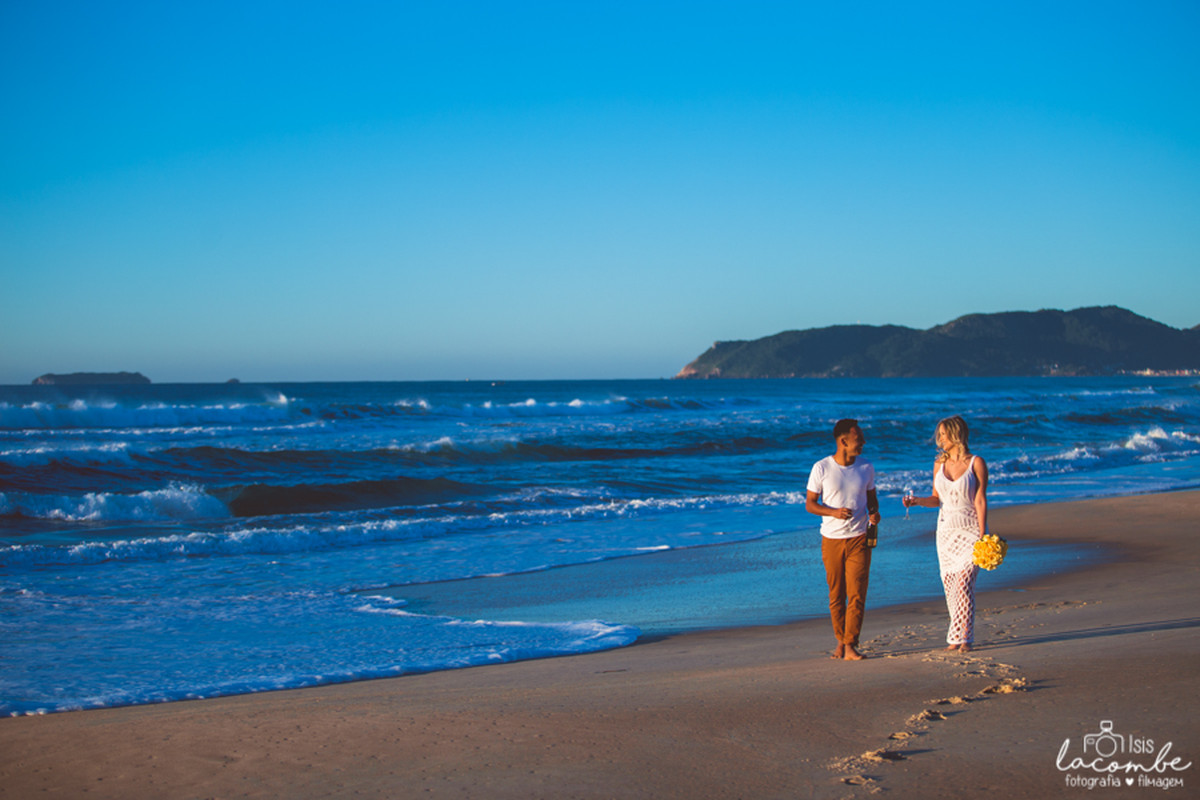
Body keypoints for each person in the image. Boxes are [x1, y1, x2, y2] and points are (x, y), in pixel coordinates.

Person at [903, 415, 989, 652]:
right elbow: (936, 498)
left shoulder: (976, 463)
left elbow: (980, 500)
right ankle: (955, 637)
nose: (939, 439)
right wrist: (917, 501)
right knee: (950, 585)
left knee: (963, 583)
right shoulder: (939, 464)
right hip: (946, 533)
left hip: (971, 531)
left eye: (943, 434)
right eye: (938, 434)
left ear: (955, 434)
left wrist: (984, 534)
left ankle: (966, 638)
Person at [806, 419, 880, 661]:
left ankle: (850, 645)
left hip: (860, 537)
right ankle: (841, 640)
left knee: (857, 592)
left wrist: (874, 513)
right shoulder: (822, 468)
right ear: (843, 441)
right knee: (837, 594)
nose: (864, 442)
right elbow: (810, 504)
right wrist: (833, 512)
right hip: (832, 540)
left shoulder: (866, 467)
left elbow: (871, 498)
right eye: (859, 439)